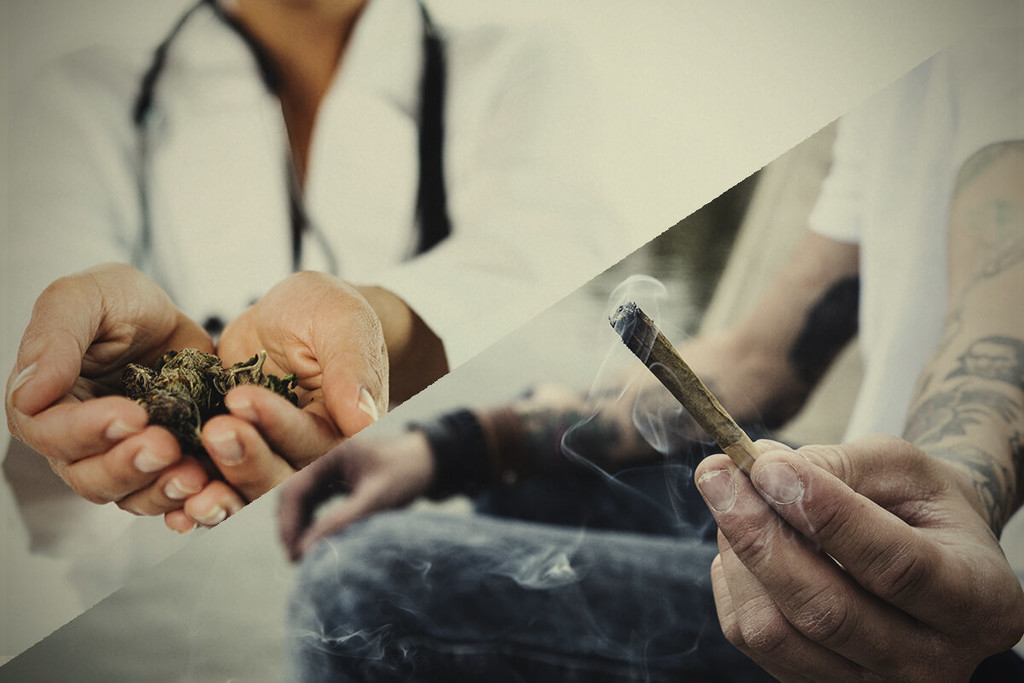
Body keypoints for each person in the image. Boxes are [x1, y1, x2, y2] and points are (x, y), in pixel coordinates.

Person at [278, 26, 1024, 681]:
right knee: (535, 476)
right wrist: (448, 447)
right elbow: (763, 359)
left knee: (356, 586)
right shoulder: (897, 75)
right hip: (857, 526)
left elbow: (997, 341)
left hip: (962, 609)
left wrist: (948, 515)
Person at [1, 0, 625, 654]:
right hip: (145, 626)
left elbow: (551, 256)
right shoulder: (80, 98)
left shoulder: (514, 67)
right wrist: (62, 364)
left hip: (418, 595)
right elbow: (29, 310)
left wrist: (369, 327)